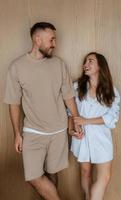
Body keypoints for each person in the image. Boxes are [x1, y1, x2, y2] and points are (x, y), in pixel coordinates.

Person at [4, 22, 83, 200]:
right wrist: (17, 133)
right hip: (32, 131)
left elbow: (68, 96)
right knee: (33, 176)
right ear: (37, 39)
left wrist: (76, 119)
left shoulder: (59, 64)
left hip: (58, 130)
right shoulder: (16, 67)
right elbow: (13, 103)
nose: (54, 44)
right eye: (51, 39)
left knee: (52, 172)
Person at [68, 52, 120, 200]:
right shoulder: (77, 87)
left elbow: (112, 117)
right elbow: (69, 112)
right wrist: (71, 130)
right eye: (85, 62)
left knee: (105, 177)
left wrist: (86, 121)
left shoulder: (111, 90)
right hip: (81, 136)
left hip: (101, 137)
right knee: (86, 173)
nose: (86, 64)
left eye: (90, 61)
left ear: (100, 66)